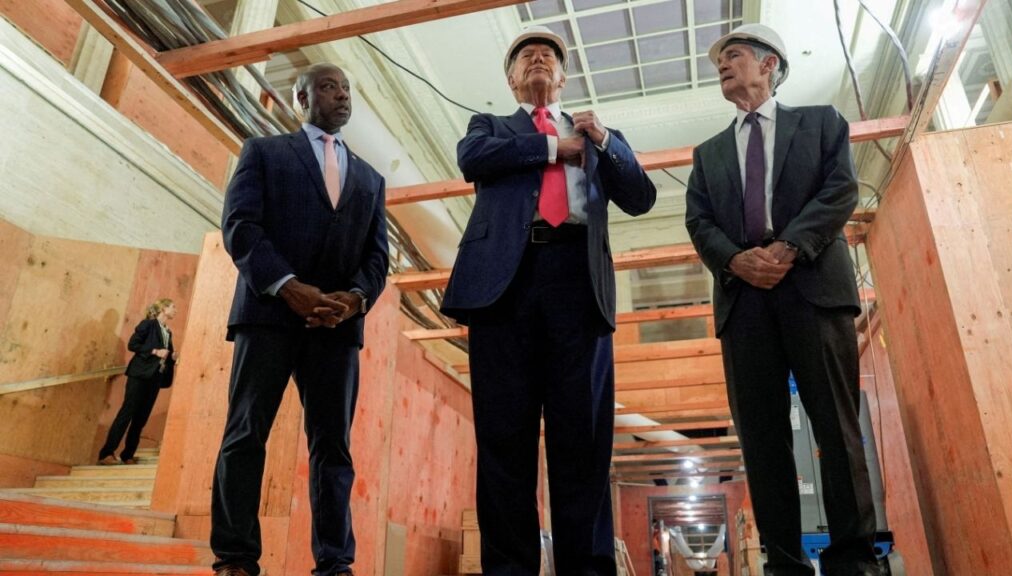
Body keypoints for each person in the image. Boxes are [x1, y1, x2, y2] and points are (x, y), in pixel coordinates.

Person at [440, 26, 656, 576]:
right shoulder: (490, 127)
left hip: (578, 284)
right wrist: (552, 147)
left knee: (583, 438)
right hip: (503, 287)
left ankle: (587, 569)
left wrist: (602, 141)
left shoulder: (598, 134)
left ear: (563, 78)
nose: (538, 59)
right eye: (526, 56)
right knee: (504, 436)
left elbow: (640, 197)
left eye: (549, 56)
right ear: (512, 79)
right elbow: (472, 158)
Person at [684, 24, 879, 576]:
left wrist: (789, 246)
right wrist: (734, 260)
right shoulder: (707, 153)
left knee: (836, 426)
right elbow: (698, 220)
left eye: (733, 55)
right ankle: (785, 565)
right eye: (720, 61)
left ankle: (853, 562)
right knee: (762, 440)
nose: (723, 65)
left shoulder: (821, 122)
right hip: (744, 301)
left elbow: (841, 189)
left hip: (813, 287)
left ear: (769, 64)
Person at [210, 63, 389, 576]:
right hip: (268, 314)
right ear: (302, 99)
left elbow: (378, 257)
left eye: (347, 88)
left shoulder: (371, 179)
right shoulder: (264, 152)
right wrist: (288, 287)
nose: (342, 95)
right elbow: (240, 226)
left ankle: (335, 563)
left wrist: (355, 299)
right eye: (329, 87)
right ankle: (235, 558)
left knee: (333, 448)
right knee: (246, 434)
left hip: (336, 327)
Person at [98, 298, 177, 465]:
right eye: (172, 307)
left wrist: (172, 357)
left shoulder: (168, 332)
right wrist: (155, 351)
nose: (175, 310)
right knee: (127, 412)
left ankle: (127, 455)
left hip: (155, 378)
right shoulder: (148, 324)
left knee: (141, 418)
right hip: (139, 375)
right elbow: (133, 344)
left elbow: (166, 355)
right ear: (163, 309)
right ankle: (106, 453)